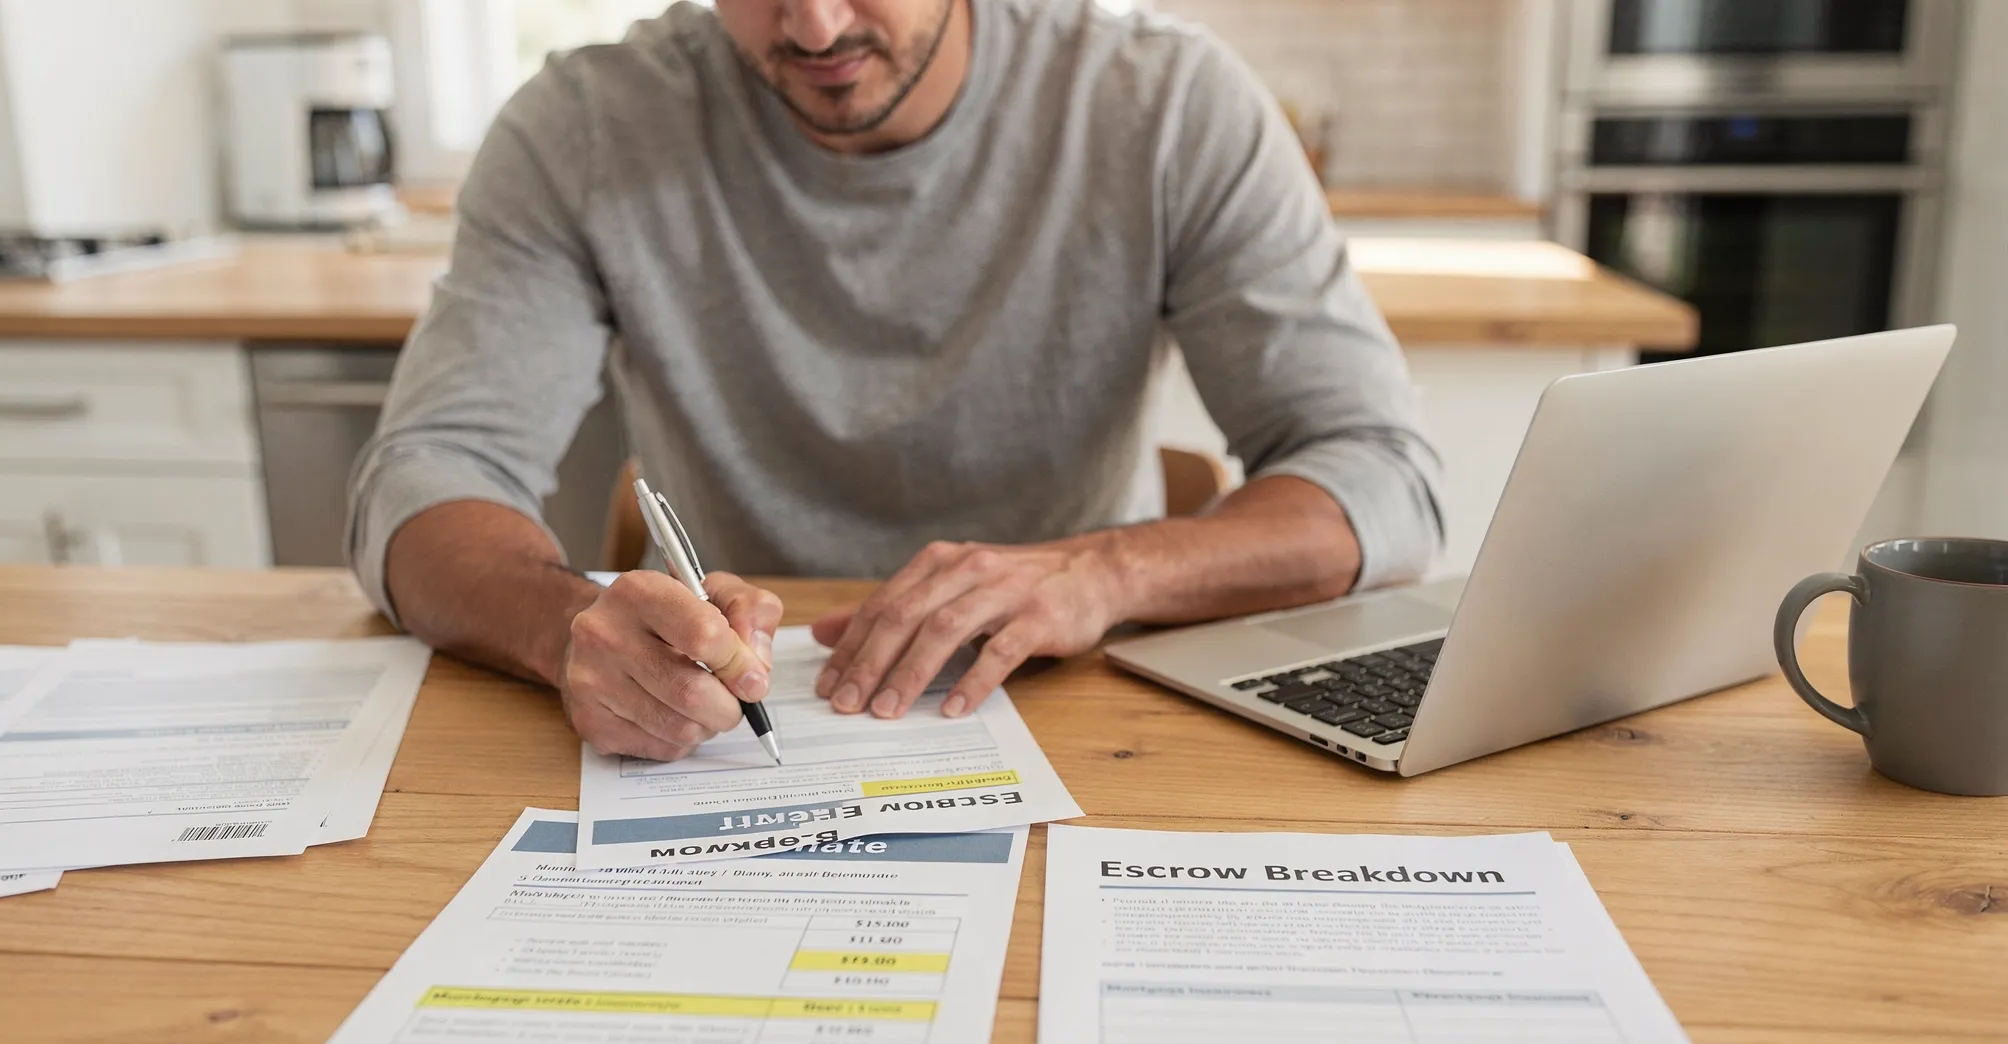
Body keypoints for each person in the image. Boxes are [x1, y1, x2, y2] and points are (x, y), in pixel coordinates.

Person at [349, 0, 1441, 763]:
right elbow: (427, 473)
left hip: (1090, 721)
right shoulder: (584, 126)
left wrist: (1105, 573)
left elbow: (1380, 472)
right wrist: (564, 626)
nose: (814, 27)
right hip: (726, 729)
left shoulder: (1163, 104)